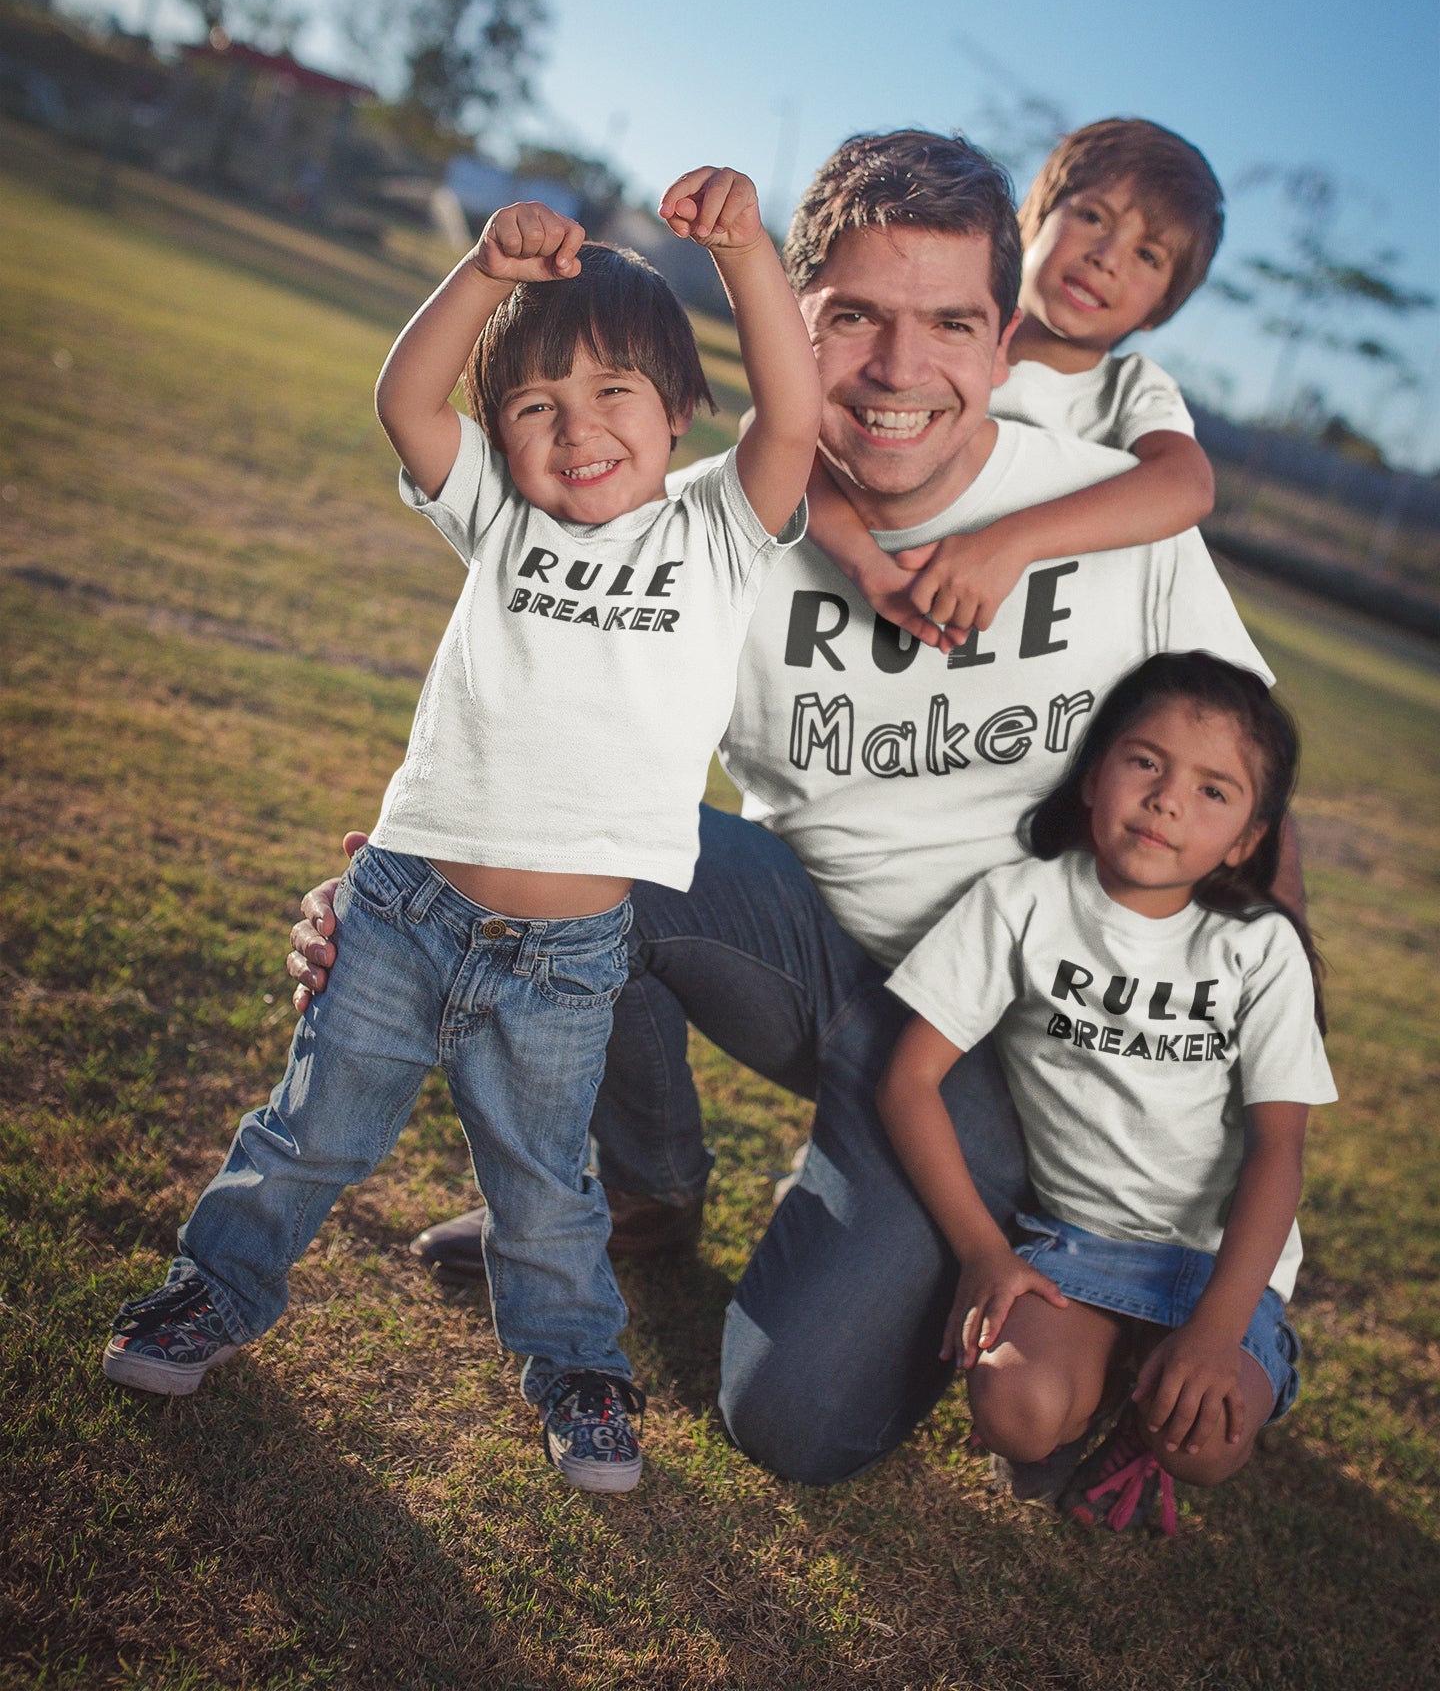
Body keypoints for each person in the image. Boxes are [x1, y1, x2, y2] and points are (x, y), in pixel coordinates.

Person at [290, 129, 1298, 1486]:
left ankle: (997, 1254)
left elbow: (1258, 829)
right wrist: (390, 890)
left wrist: (1239, 1108)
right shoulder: (695, 529)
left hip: (1005, 1049)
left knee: (793, 1420)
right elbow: (535, 744)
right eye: (853, 321)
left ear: (1004, 343)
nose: (896, 370)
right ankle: (639, 1188)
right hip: (819, 956)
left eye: (947, 323)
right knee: (611, 855)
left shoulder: (1117, 524)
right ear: (788, 323)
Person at [102, 167, 819, 1495]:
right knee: (310, 1130)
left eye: (614, 395)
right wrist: (486, 268)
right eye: (536, 406)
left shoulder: (716, 532)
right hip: (403, 908)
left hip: (566, 956)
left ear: (680, 412)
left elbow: (795, 414)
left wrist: (749, 262)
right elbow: (403, 400)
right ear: (501, 431)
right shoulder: (500, 514)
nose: (577, 429)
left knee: (546, 1189)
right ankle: (211, 1290)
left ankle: (576, 1372)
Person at [879, 651, 1333, 1533]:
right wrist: (983, 1251)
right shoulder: (1022, 902)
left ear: (1246, 840)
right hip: (1079, 1247)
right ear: (1094, 775)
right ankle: (1101, 1375)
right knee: (1019, 1414)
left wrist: (1214, 1329)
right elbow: (908, 1082)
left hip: (1216, 1265)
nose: (1167, 798)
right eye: (1146, 761)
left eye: (1214, 790)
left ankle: (1151, 1397)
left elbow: (1280, 1150)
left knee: (1203, 1443)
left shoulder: (1259, 948)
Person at [804, 118, 1221, 651]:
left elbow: (1188, 486)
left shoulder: (1129, 389)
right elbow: (782, 438)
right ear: (1034, 218)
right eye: (1093, 217)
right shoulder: (934, 358)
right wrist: (868, 568)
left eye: (1148, 255)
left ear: (1160, 310)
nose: (1107, 257)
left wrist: (1009, 544)